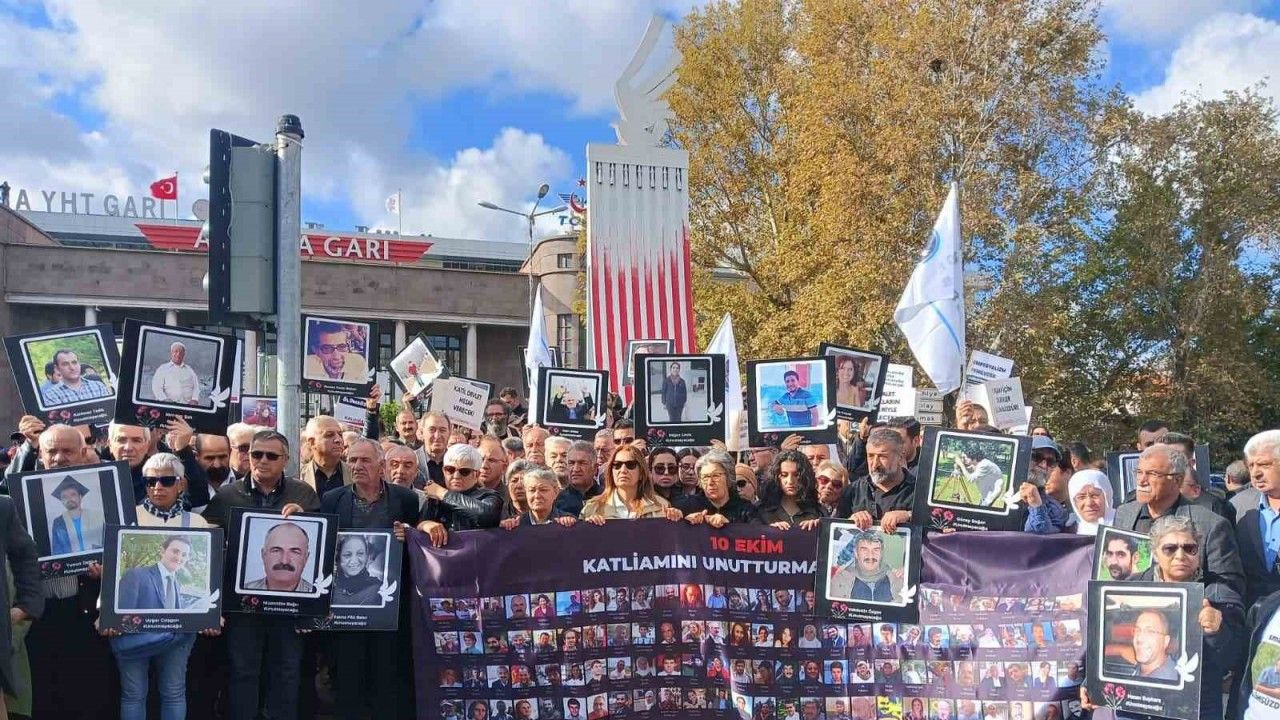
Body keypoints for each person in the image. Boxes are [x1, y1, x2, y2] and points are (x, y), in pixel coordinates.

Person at [201, 429, 320, 720]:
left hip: (289, 607)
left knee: (287, 673)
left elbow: (318, 549)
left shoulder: (303, 494)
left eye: (271, 455)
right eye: (256, 454)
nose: (262, 460)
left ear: (286, 460)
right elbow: (208, 548)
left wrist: (305, 519)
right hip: (242, 607)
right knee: (243, 673)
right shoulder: (227, 495)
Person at [1112, 444, 1244, 600]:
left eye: (1152, 474)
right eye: (1139, 472)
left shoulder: (1211, 525)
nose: (1141, 480)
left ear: (1177, 480)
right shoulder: (1124, 514)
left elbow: (1227, 583)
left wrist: (1202, 605)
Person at [416, 443, 503, 546]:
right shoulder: (435, 499)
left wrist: (444, 494)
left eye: (464, 471)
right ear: (443, 471)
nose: (456, 476)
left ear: (476, 475)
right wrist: (425, 525)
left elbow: (485, 515)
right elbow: (417, 526)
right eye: (450, 469)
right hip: (441, 555)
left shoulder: (489, 496)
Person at [837, 428, 916, 532]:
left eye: (882, 457)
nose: (875, 464)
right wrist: (850, 522)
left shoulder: (919, 491)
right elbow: (834, 532)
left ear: (900, 456)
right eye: (870, 456)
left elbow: (934, 525)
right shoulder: (853, 491)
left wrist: (909, 515)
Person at [581, 444, 683, 522]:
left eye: (630, 465)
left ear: (641, 473)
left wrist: (677, 519)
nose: (623, 470)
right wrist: (588, 527)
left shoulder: (661, 506)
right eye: (617, 465)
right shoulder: (592, 508)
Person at [1235, 429, 1280, 605]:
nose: (1255, 473)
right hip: (1251, 611)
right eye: (1251, 465)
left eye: (1264, 464)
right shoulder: (1237, 506)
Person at [679, 449, 761, 526]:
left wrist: (730, 526)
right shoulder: (688, 505)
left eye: (716, 476)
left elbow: (759, 533)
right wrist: (686, 522)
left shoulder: (746, 509)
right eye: (705, 477)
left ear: (728, 476)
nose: (710, 482)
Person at [136, 452, 212, 528]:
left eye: (167, 481)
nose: (158, 487)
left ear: (181, 485)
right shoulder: (132, 518)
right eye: (150, 481)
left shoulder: (197, 523)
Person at [828, 530, 904, 602]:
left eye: (876, 550)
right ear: (856, 553)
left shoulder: (897, 579)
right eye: (864, 550)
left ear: (881, 553)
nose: (870, 555)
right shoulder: (840, 579)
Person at [759, 450, 824, 530]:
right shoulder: (760, 511)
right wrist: (768, 530)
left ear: (805, 477)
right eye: (784, 475)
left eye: (796, 475)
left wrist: (820, 527)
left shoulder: (818, 511)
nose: (790, 481)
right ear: (776, 477)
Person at [48, 474, 104, 554]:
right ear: (62, 501)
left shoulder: (97, 516)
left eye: (73, 494)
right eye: (64, 497)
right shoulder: (58, 522)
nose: (69, 499)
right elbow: (57, 550)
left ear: (80, 497)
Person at [300, 415, 352, 494]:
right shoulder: (299, 476)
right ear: (312, 442)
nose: (338, 440)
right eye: (329, 435)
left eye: (340, 434)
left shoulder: (355, 474)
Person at [41, 348, 111, 405]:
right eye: (65, 364)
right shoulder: (51, 395)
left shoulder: (98, 386)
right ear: (57, 368)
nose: (72, 367)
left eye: (74, 362)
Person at [304, 322, 369, 381]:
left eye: (342, 347)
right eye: (327, 348)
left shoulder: (358, 363)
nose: (336, 357)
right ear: (316, 351)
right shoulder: (306, 366)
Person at [1068, 469, 1114, 535]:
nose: (1089, 503)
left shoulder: (1124, 525)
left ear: (1107, 497)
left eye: (1094, 495)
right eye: (1081, 497)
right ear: (1074, 502)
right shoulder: (1069, 533)